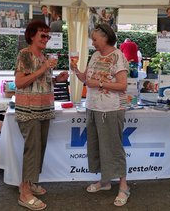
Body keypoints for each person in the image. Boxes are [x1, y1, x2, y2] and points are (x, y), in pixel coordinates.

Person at [71, 23, 130, 207]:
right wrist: (76, 71)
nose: (93, 42)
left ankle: (124, 186)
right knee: (97, 147)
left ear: (105, 37)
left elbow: (122, 86)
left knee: (113, 147)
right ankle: (105, 182)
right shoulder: (95, 55)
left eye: (95, 39)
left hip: (111, 109)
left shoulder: (118, 56)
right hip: (93, 107)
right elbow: (89, 81)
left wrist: (100, 85)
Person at [14, 20, 69, 210]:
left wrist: (56, 78)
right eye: (43, 35)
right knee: (33, 149)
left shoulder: (43, 56)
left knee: (40, 147)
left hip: (44, 108)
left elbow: (40, 80)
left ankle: (30, 182)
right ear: (31, 36)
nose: (46, 39)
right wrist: (44, 68)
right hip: (30, 110)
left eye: (48, 35)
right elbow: (20, 83)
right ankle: (24, 192)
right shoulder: (26, 54)